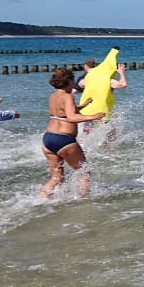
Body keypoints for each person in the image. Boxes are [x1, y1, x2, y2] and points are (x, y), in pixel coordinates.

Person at [40, 67, 105, 198]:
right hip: (64, 140)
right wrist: (93, 116)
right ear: (68, 81)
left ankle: (41, 200)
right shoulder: (68, 96)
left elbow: (63, 112)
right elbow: (71, 117)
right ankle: (83, 202)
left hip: (48, 139)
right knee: (84, 172)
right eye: (73, 81)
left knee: (56, 178)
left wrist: (84, 105)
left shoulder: (53, 96)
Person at [77, 47, 127, 137]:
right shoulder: (110, 80)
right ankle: (110, 150)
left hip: (88, 111)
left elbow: (80, 84)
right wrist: (121, 73)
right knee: (111, 135)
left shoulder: (88, 78)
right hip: (103, 113)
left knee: (86, 135)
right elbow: (123, 84)